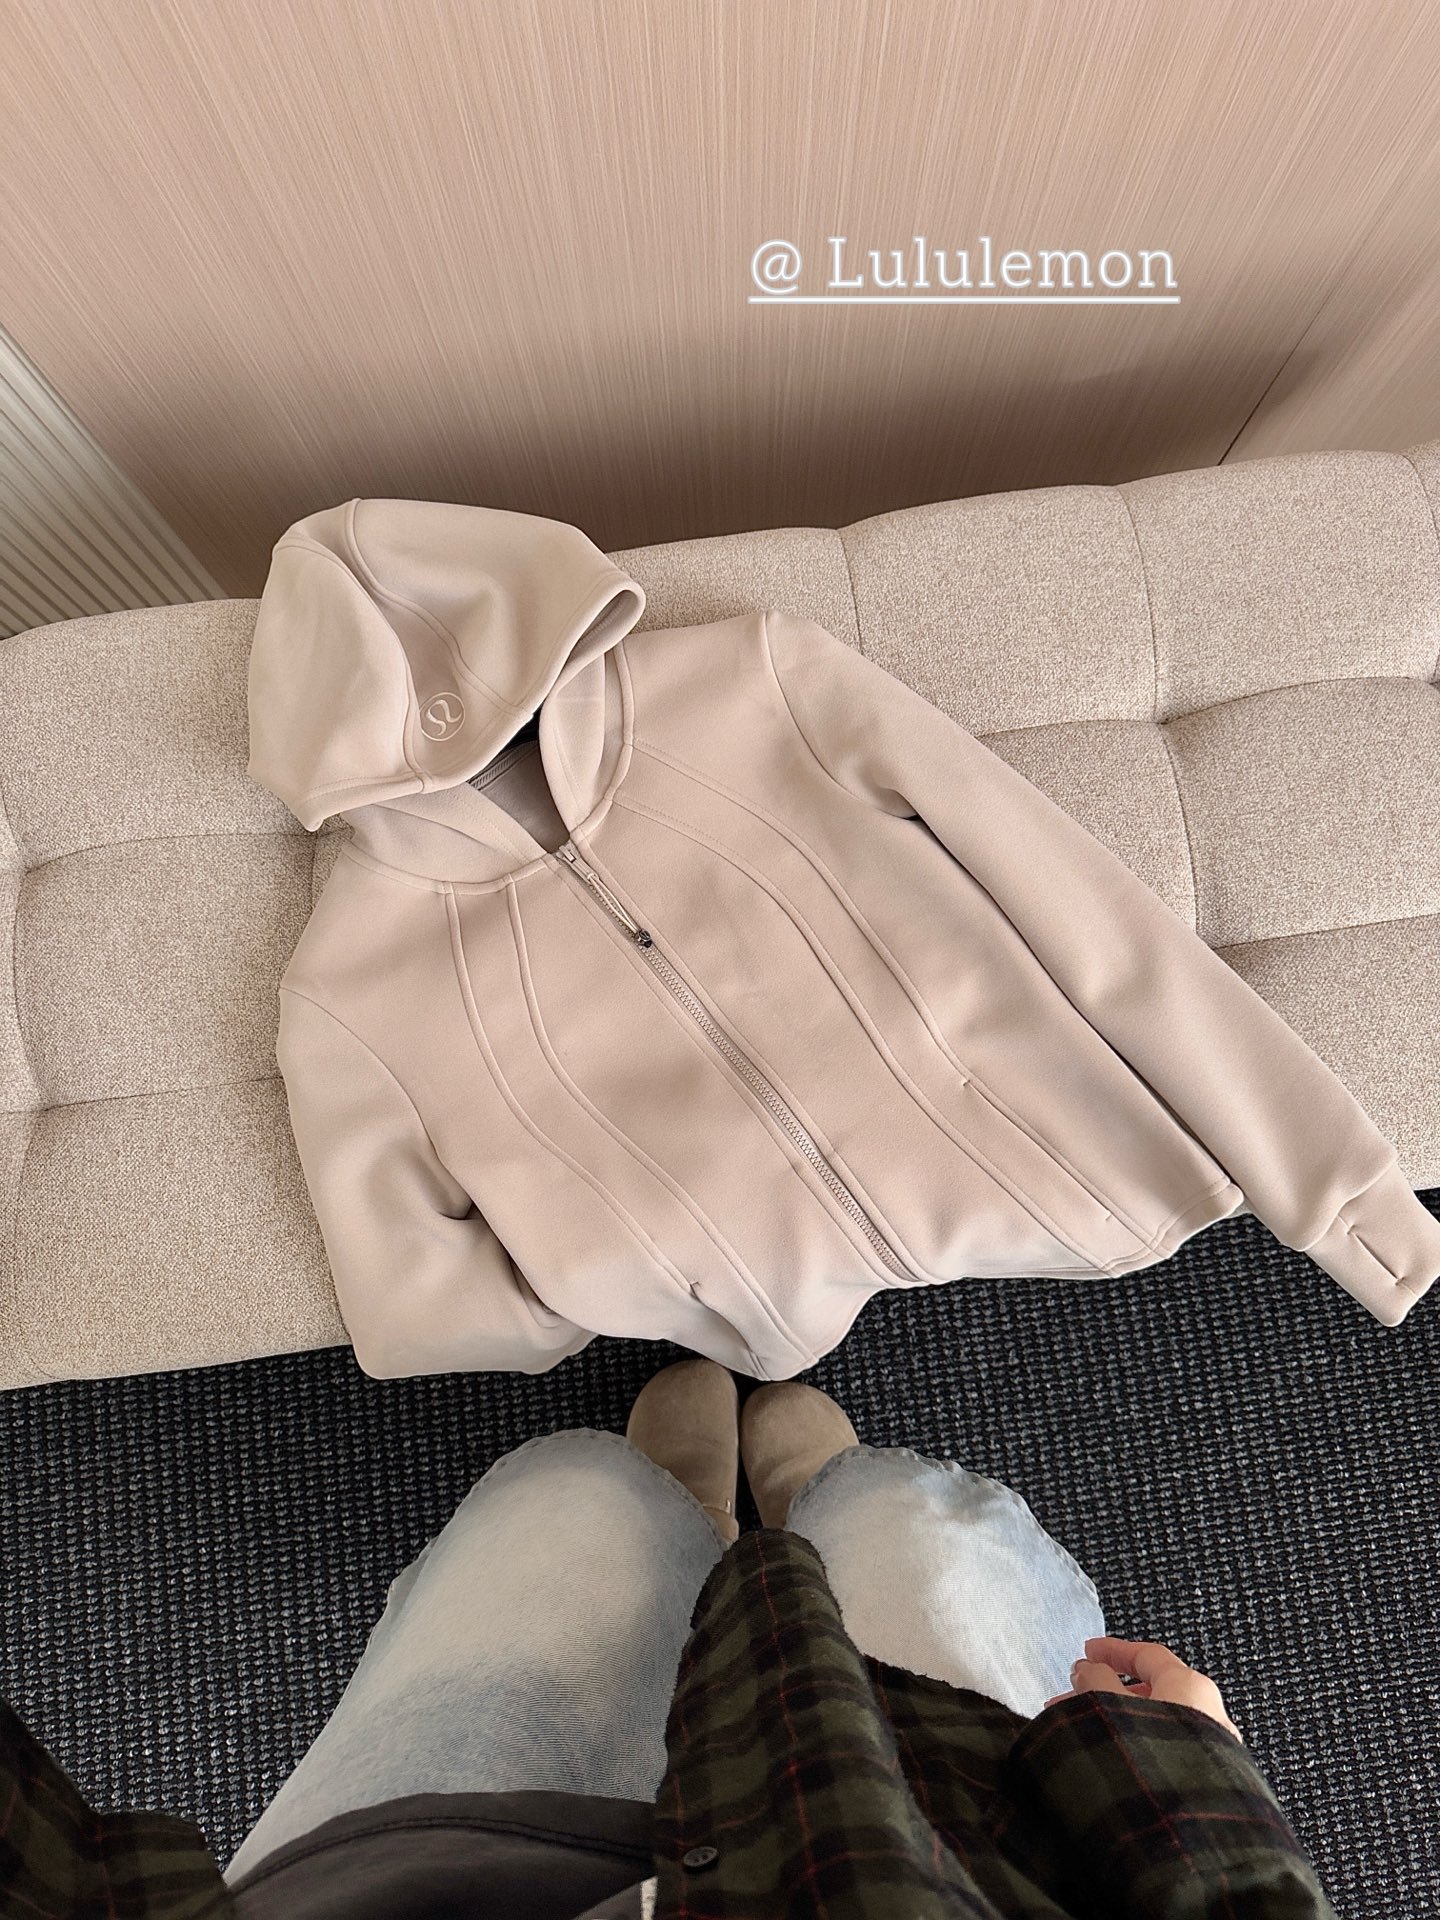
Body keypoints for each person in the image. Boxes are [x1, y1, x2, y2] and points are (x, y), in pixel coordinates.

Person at [2, 1359, 1337, 1918]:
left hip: (445, 1883)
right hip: (965, 1846)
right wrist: (1195, 1802)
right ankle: (796, 1514)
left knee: (568, 1508)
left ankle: (687, 1525)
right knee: (915, 1535)